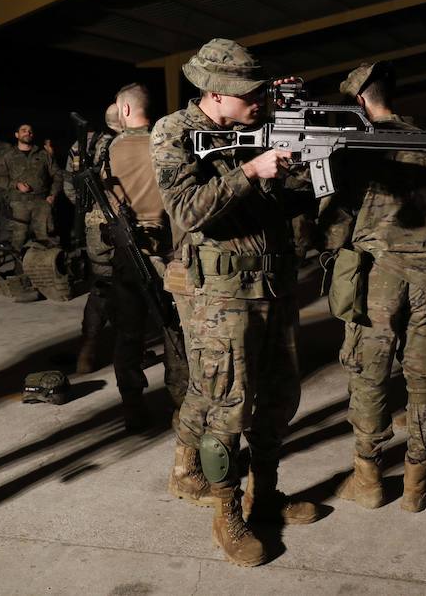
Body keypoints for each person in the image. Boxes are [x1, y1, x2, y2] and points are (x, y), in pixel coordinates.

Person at [151, 38, 318, 567]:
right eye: (250, 93)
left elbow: (281, 203)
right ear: (216, 92)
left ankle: (264, 493)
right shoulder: (173, 133)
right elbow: (186, 209)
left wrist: (299, 166)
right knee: (227, 401)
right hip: (217, 294)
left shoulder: (253, 129)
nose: (259, 100)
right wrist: (249, 171)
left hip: (271, 284)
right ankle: (227, 511)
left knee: (278, 395)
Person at [320, 62, 426, 512]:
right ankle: (418, 481)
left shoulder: (357, 147)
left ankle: (369, 477)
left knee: (369, 374)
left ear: (359, 101)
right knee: (425, 375)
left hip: (379, 276)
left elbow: (334, 218)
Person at [97, 84, 190, 431]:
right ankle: (183, 409)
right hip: (173, 255)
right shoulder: (170, 143)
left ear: (123, 110)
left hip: (130, 256)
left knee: (129, 336)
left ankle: (133, 408)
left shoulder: (111, 151)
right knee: (175, 331)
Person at [66, 104, 123, 374]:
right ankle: (127, 351)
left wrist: (87, 209)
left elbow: (70, 185)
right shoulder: (118, 143)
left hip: (93, 226)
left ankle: (87, 351)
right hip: (120, 223)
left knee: (100, 286)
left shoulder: (78, 148)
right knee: (130, 286)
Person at [5, 123, 63, 249]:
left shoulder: (43, 154)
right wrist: (16, 184)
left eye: (30, 131)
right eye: (24, 130)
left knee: (46, 237)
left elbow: (57, 174)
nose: (28, 133)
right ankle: (19, 266)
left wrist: (53, 195)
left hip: (41, 202)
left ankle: (47, 266)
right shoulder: (8, 156)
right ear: (17, 135)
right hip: (18, 204)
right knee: (18, 239)